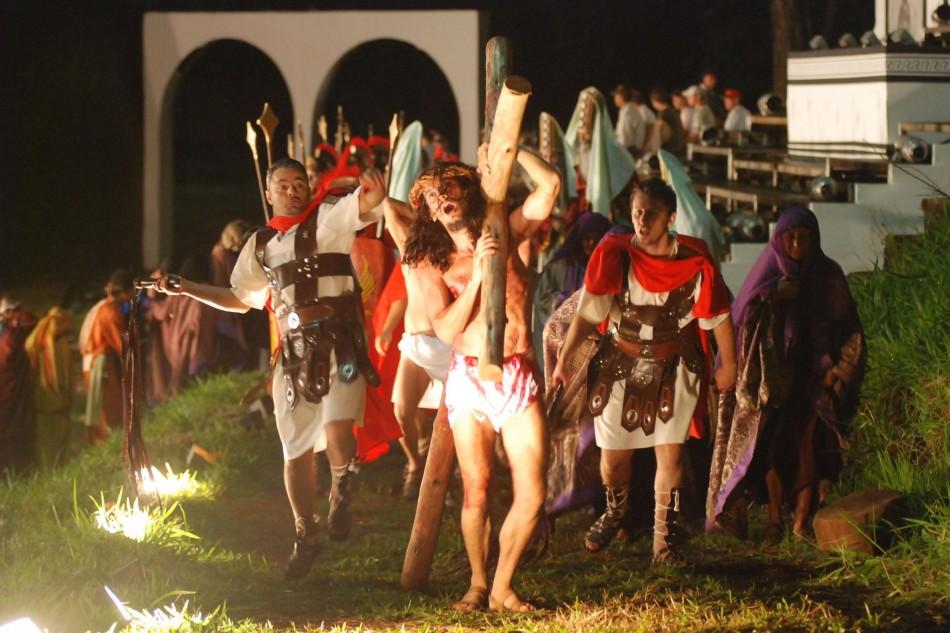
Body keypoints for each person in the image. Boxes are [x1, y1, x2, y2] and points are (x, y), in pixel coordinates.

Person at [154, 158, 387, 580]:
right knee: (295, 450)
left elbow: (367, 203)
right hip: (293, 356)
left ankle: (340, 491)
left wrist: (372, 185)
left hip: (342, 348)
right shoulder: (260, 245)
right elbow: (240, 298)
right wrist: (186, 288)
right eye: (284, 185)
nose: (294, 191)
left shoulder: (330, 219)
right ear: (269, 192)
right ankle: (306, 531)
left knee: (339, 420)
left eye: (300, 183)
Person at [401, 144, 559, 612]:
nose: (439, 199)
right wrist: (476, 278)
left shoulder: (505, 229)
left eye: (447, 188)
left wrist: (513, 151)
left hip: (516, 371)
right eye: (430, 197)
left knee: (532, 491)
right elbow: (445, 328)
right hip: (469, 377)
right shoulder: (430, 259)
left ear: (467, 189)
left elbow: (548, 186)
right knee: (477, 488)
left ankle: (502, 586)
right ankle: (476, 582)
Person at [552, 178, 735, 563]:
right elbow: (588, 313)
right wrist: (566, 362)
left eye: (651, 213)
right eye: (637, 212)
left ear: (670, 217)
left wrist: (729, 363)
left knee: (669, 456)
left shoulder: (694, 260)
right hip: (621, 365)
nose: (642, 220)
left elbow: (717, 315)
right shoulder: (614, 255)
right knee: (614, 460)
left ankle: (662, 542)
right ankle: (615, 510)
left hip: (675, 365)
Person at [707, 207, 865, 542]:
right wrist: (772, 300)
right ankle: (776, 519)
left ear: (814, 239)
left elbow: (850, 330)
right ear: (779, 241)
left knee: (809, 447)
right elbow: (743, 321)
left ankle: (801, 521)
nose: (796, 245)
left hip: (815, 381)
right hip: (772, 382)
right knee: (771, 449)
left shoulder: (828, 276)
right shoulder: (768, 275)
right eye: (790, 238)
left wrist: (838, 373)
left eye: (803, 238)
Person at [532, 211, 612, 377]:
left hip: (599, 344)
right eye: (586, 238)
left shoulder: (609, 268)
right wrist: (568, 304)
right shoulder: (561, 266)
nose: (590, 243)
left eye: (595, 238)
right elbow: (542, 298)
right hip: (563, 340)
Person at [79, 269, 132, 444]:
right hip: (100, 364)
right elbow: (121, 344)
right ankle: (107, 445)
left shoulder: (104, 306)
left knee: (101, 408)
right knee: (107, 408)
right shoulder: (110, 311)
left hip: (93, 362)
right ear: (126, 291)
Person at [25, 305, 73, 468]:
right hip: (44, 400)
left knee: (61, 434)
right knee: (46, 437)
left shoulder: (61, 342)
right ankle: (47, 468)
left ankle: (60, 465)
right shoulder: (36, 344)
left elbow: (67, 371)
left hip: (60, 400)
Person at [0, 296, 37, 474]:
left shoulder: (14, 331)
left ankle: (17, 470)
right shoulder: (10, 334)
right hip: (8, 391)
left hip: (13, 390)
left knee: (15, 432)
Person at [649, 87, 687, 157]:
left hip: (670, 151)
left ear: (653, 101)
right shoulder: (673, 111)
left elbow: (658, 136)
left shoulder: (663, 114)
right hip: (680, 148)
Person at [611, 84, 646, 157]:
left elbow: (625, 137)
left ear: (620, 97)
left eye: (615, 96)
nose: (614, 99)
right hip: (633, 149)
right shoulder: (631, 109)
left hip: (629, 150)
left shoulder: (627, 111)